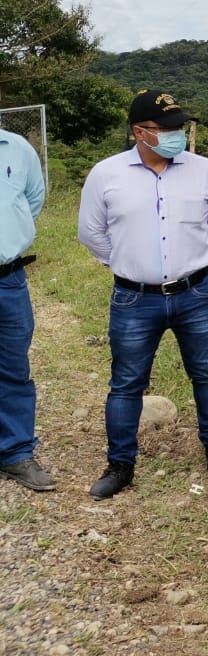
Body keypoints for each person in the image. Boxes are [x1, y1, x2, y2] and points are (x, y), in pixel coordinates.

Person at [77, 90, 208, 500]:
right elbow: (91, 233)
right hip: (135, 299)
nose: (176, 135)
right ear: (139, 132)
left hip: (197, 292)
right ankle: (120, 464)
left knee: (207, 371)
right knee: (127, 383)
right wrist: (130, 264)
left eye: (179, 127)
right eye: (166, 129)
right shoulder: (106, 174)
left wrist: (190, 258)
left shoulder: (203, 170)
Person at [0, 125, 53, 492]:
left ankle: (15, 452)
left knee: (13, 367)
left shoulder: (17, 148)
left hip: (8, 279)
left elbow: (33, 200)